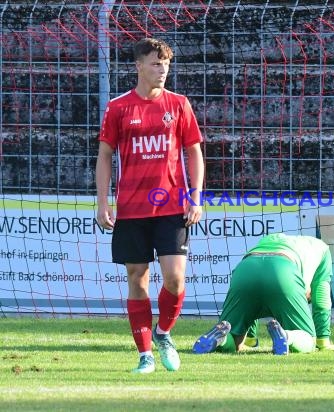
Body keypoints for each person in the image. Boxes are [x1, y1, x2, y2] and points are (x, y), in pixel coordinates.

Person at [96, 38, 204, 373]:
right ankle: (145, 355)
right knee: (136, 278)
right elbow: (104, 156)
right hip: (131, 209)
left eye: (166, 65)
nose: (162, 71)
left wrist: (195, 197)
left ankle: (163, 333)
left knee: (175, 279)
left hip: (172, 206)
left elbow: (194, 152)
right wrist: (102, 203)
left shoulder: (179, 105)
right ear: (139, 66)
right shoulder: (118, 108)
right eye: (156, 64)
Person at [191, 233, 334, 355]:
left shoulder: (270, 239)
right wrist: (323, 341)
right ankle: (287, 337)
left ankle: (220, 339)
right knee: (308, 340)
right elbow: (322, 300)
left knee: (234, 338)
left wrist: (250, 340)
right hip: (284, 271)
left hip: (245, 270)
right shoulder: (323, 250)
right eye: (306, 300)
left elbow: (253, 307)